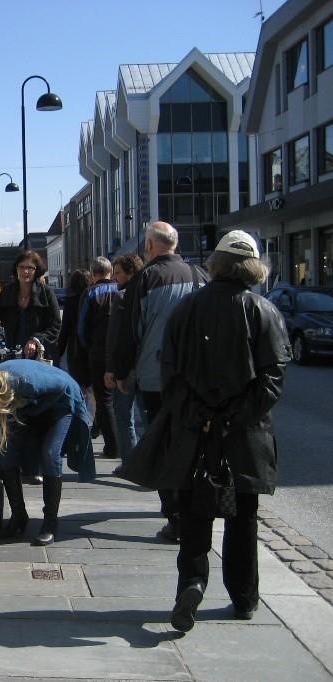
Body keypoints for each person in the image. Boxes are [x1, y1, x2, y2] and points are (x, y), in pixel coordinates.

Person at [158, 230, 291, 632]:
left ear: (215, 264)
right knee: (243, 517)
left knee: (196, 513)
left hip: (196, 431)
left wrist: (201, 414)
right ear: (252, 268)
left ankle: (193, 583)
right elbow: (273, 376)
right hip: (244, 433)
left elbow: (170, 374)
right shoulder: (262, 310)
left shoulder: (186, 310)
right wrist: (235, 415)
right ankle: (244, 596)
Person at [113, 221, 207, 543]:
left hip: (156, 380)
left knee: (163, 445)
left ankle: (175, 516)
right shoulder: (200, 276)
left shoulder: (146, 278)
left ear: (150, 246)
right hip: (197, 379)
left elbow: (130, 331)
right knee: (193, 445)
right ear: (175, 244)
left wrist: (122, 373)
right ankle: (194, 510)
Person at [0, 360, 94, 545]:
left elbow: (62, 387)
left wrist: (36, 416)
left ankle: (50, 524)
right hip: (29, 404)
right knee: (5, 453)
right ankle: (19, 515)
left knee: (50, 453)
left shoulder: (22, 383)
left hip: (62, 400)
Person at [0, 250, 62, 361]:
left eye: (30, 268)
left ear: (36, 270)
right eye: (21, 267)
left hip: (40, 357)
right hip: (13, 355)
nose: (25, 271)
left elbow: (56, 325)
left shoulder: (46, 293)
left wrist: (37, 339)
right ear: (16, 269)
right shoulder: (7, 292)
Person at [104, 254, 144, 475]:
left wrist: (111, 368)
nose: (115, 277)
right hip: (147, 364)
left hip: (125, 368)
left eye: (118, 272)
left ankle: (131, 463)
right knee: (147, 418)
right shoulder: (147, 292)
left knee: (124, 415)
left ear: (129, 272)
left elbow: (115, 336)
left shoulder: (121, 297)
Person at [77, 257, 119, 459]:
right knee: (124, 401)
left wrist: (87, 347)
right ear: (110, 271)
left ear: (93, 274)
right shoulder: (122, 289)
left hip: (98, 352)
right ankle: (127, 444)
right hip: (122, 351)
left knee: (104, 400)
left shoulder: (90, 293)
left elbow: (81, 327)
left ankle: (112, 445)